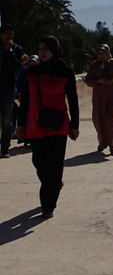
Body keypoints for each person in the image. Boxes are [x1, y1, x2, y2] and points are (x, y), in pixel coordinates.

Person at [16, 35, 79, 219]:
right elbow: (25, 100)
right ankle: (54, 183)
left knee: (55, 162)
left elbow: (73, 101)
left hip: (59, 124)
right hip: (35, 123)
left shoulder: (65, 71)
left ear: (54, 50)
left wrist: (74, 125)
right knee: (39, 162)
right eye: (40, 49)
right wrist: (20, 125)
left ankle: (48, 204)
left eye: (46, 49)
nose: (42, 52)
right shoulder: (32, 72)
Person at [84, 44, 113, 156]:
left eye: (103, 53)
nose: (101, 56)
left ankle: (112, 146)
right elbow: (88, 80)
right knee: (98, 120)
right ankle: (102, 142)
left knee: (111, 121)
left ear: (107, 53)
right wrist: (99, 81)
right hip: (99, 97)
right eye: (99, 53)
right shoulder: (94, 66)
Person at [1, 24, 24, 158]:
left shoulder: (16, 49)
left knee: (6, 119)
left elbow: (17, 66)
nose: (9, 37)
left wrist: (9, 52)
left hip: (8, 88)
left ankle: (4, 149)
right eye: (7, 34)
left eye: (11, 34)